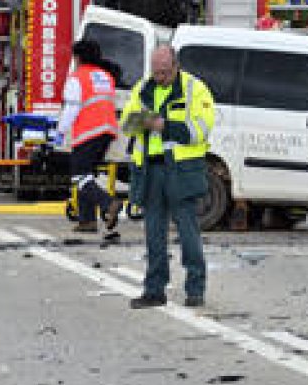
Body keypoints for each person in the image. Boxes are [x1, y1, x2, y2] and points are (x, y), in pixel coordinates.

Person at [120, 44, 215, 309]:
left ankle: (195, 289)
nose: (159, 77)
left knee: (188, 232)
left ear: (176, 67)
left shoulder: (194, 89)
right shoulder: (144, 87)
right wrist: (146, 121)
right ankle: (154, 290)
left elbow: (202, 128)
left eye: (164, 72)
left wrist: (165, 126)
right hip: (151, 169)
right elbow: (126, 123)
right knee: (153, 234)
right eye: (156, 72)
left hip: (181, 171)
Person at [56, 39, 125, 233]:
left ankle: (109, 203)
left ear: (78, 58)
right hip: (107, 131)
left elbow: (71, 108)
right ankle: (87, 220)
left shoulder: (78, 78)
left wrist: (60, 132)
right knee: (87, 175)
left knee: (79, 176)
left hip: (88, 131)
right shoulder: (105, 76)